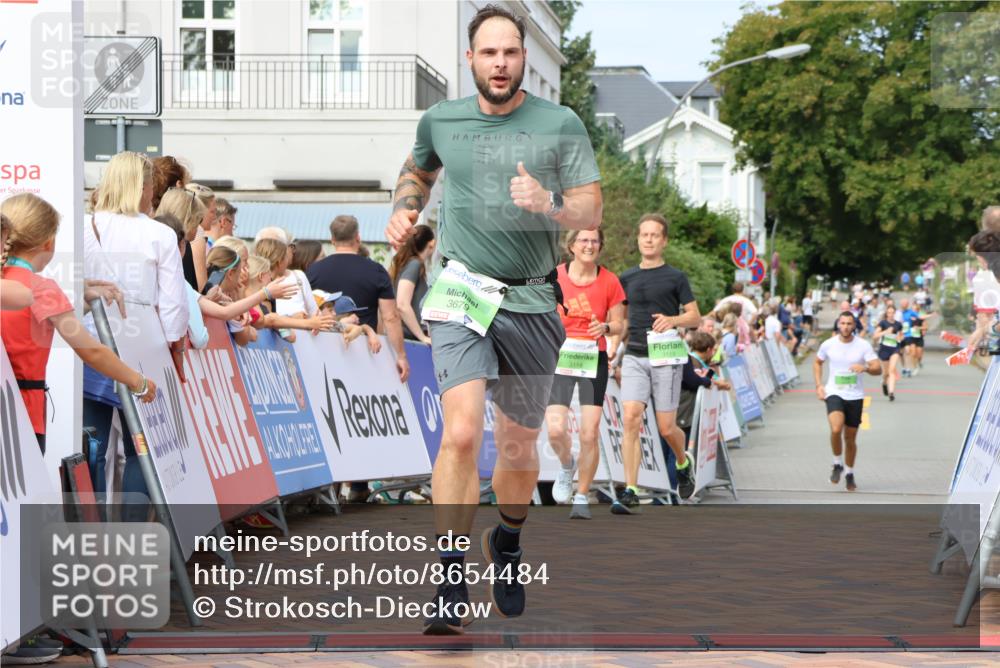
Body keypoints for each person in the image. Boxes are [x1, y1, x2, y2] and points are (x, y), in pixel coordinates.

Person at [384, 3, 602, 634]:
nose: (500, 63)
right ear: (470, 58)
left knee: (517, 449)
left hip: (533, 300)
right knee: (458, 434)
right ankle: (450, 571)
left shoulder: (559, 122)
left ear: (523, 58)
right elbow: (416, 171)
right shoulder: (442, 119)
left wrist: (549, 202)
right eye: (488, 53)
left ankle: (505, 540)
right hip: (460, 292)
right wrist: (404, 210)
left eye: (510, 53)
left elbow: (590, 208)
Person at [2, 192, 158, 454]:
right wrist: (137, 381)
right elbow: (91, 351)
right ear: (49, 242)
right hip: (22, 416)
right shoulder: (42, 289)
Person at [83, 151, 188, 511]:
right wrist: (172, 344)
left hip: (88, 341)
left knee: (90, 445)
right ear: (143, 188)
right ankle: (130, 542)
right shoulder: (159, 234)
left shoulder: (85, 226)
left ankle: (90, 537)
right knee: (141, 448)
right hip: (143, 347)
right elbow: (174, 307)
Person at [613, 214, 700, 513]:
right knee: (630, 418)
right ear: (638, 239)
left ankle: (682, 460)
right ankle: (631, 490)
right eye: (644, 235)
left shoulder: (676, 277)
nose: (648, 239)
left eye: (654, 235)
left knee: (666, 428)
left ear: (664, 241)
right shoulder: (625, 278)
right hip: (635, 355)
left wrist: (673, 319)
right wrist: (612, 346)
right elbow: (621, 322)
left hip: (665, 356)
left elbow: (695, 317)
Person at [545, 228, 625, 519]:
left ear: (600, 246)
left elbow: (619, 325)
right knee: (555, 430)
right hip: (561, 357)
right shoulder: (555, 276)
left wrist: (605, 328)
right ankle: (567, 466)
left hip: (594, 358)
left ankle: (581, 495)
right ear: (572, 245)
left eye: (594, 241)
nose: (589, 245)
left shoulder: (610, 281)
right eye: (583, 240)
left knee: (589, 432)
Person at [308, 215, 409, 381]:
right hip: (366, 354)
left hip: (323, 353)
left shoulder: (313, 271)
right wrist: (401, 356)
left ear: (332, 240)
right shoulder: (376, 271)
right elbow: (390, 317)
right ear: (358, 238)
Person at [813, 311, 880, 491]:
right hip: (834, 392)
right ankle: (837, 463)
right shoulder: (828, 344)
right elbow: (817, 362)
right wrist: (819, 385)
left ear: (854, 326)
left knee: (850, 438)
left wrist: (865, 368)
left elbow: (878, 368)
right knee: (836, 428)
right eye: (842, 323)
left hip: (855, 396)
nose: (845, 327)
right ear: (838, 324)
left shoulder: (863, 346)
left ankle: (849, 473)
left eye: (849, 324)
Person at [388, 224, 436, 344]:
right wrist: (422, 336)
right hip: (409, 338)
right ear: (432, 243)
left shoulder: (406, 263)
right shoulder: (414, 264)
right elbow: (402, 304)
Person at [184, 183, 216, 291]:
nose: (214, 217)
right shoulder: (198, 237)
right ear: (201, 209)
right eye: (212, 212)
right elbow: (202, 288)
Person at [873, 305, 903, 401]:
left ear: (895, 313)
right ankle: (884, 383)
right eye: (889, 313)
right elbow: (875, 336)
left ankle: (891, 392)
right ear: (886, 314)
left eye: (892, 313)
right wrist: (885, 332)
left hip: (895, 349)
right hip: (884, 349)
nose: (891, 314)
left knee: (892, 370)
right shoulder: (883, 323)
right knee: (886, 373)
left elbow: (901, 336)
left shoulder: (898, 324)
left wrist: (900, 338)